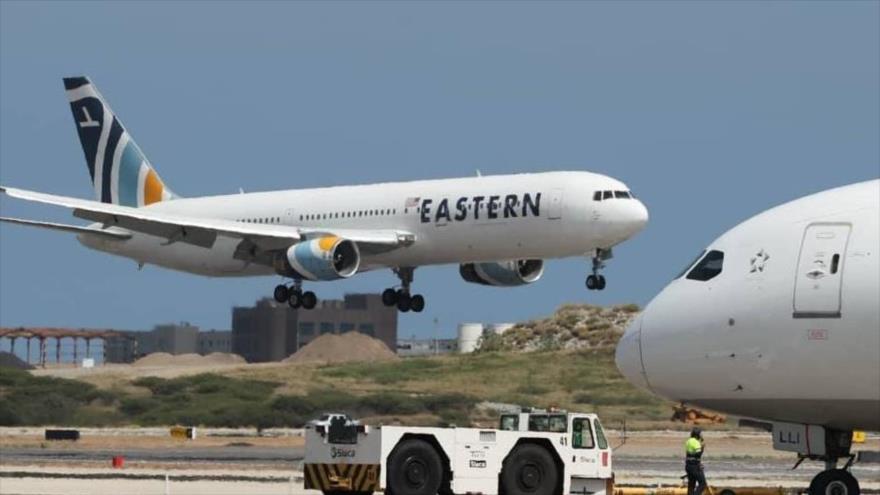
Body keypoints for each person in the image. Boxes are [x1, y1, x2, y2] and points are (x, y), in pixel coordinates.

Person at [685, 427, 707, 495]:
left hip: (688, 465)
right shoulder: (696, 442)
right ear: (698, 434)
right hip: (695, 466)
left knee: (691, 485)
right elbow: (698, 455)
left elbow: (689, 454)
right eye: (701, 433)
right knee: (702, 483)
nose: (702, 435)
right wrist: (702, 448)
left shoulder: (688, 441)